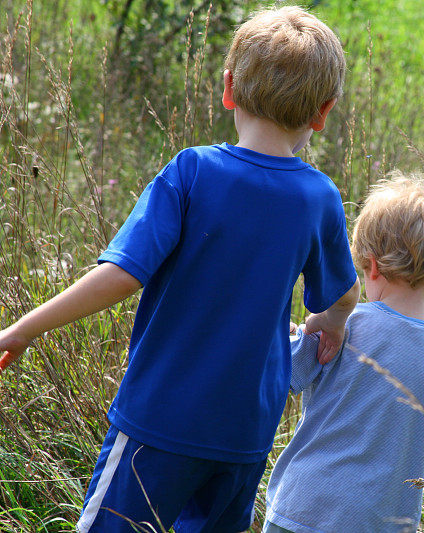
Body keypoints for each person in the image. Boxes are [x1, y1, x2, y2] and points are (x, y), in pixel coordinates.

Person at [0, 6, 359, 532]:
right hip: (243, 436)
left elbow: (123, 273)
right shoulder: (318, 197)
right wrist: (332, 321)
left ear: (228, 88)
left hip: (158, 422)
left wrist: (23, 328)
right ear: (323, 112)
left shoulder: (192, 172)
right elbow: (343, 295)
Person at [263, 173, 424, 533]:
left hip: (300, 507)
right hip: (378, 522)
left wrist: (290, 335)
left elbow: (283, 373)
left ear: (371, 265)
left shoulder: (341, 324)